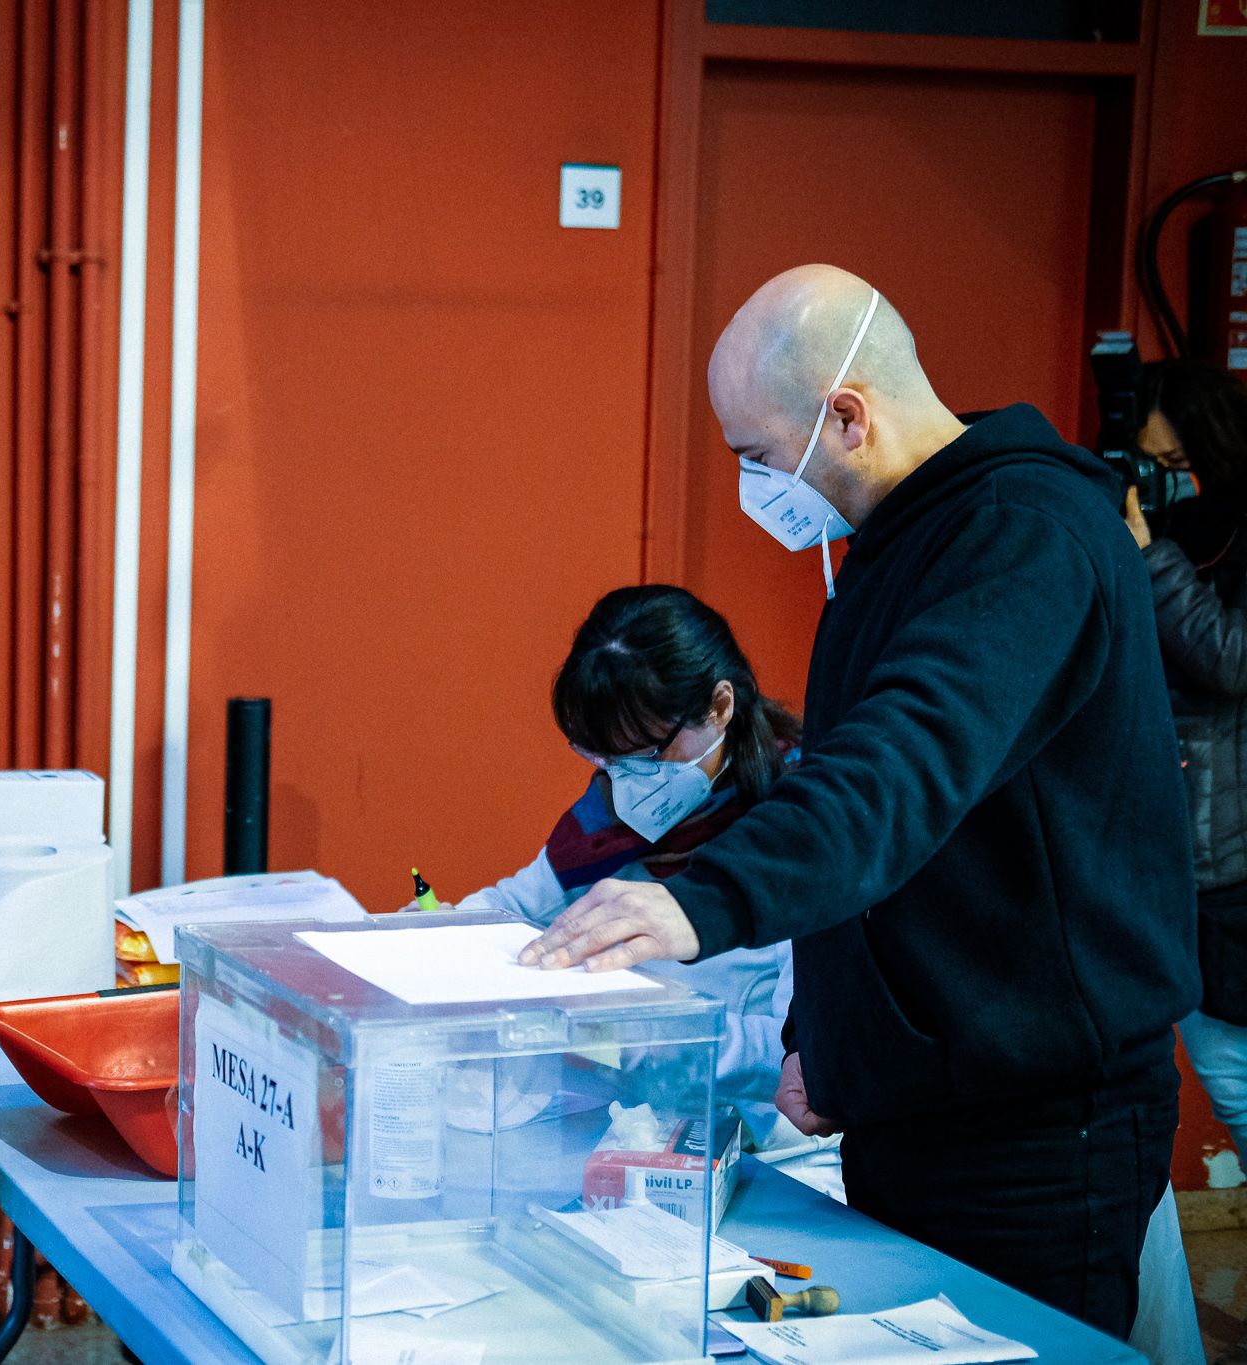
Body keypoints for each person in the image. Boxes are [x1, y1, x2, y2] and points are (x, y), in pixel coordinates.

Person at [519, 264, 1199, 1340]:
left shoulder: (1021, 537)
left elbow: (898, 767)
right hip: (909, 1108)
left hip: (1028, 1122)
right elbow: (888, 854)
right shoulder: (894, 550)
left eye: (755, 456)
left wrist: (704, 899)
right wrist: (821, 1042)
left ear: (843, 415)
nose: (754, 487)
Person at [437, 585, 840, 1192]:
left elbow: (803, 1059)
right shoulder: (606, 819)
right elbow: (518, 903)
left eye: (647, 755)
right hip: (629, 1140)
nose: (627, 785)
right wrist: (443, 933)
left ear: (720, 705)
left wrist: (653, 1032)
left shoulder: (805, 830)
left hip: (770, 1162)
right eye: (605, 760)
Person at [1123, 361, 1247, 1159]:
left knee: (1236, 1078)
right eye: (1152, 466)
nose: (1170, 485)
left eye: (1177, 466)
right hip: (1179, 858)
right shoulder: (1179, 537)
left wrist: (1147, 555)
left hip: (1232, 865)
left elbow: (1233, 657)